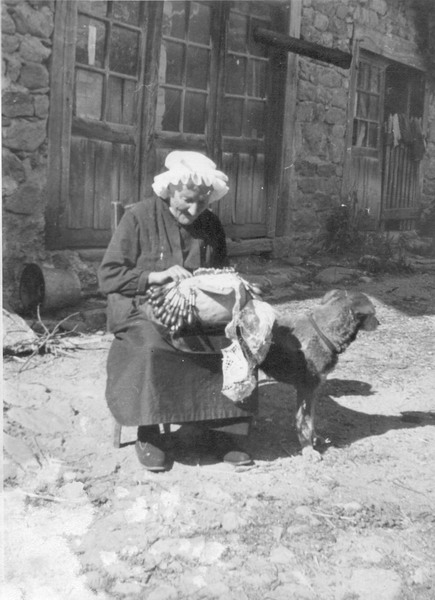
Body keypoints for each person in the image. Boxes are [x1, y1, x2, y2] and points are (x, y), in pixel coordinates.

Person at [98, 151, 256, 471]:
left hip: (196, 310)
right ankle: (150, 431)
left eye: (203, 202)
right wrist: (155, 276)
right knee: (153, 349)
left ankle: (219, 429)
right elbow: (108, 276)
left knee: (231, 345)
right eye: (187, 199)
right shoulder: (139, 217)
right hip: (138, 305)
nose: (194, 210)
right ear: (171, 190)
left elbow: (220, 272)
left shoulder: (210, 224)